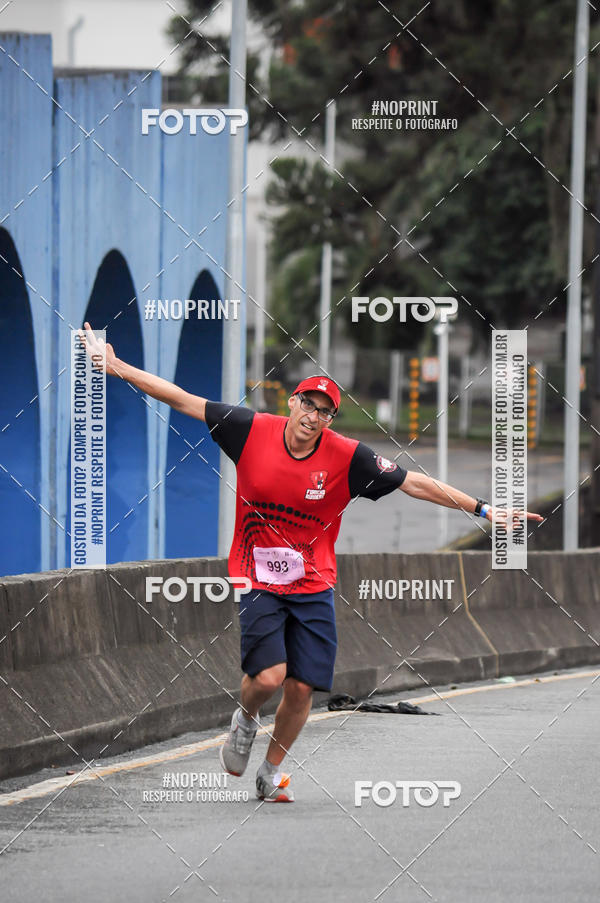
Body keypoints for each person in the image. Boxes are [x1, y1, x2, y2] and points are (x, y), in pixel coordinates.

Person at [81, 322, 542, 803]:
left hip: (313, 582)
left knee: (302, 689)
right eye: (307, 404)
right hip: (255, 572)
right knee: (268, 677)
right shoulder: (249, 430)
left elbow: (413, 483)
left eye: (325, 411)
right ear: (291, 403)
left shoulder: (348, 457)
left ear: (330, 419)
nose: (313, 416)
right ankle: (245, 719)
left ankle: (271, 769)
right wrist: (116, 367)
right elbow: (181, 398)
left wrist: (485, 510)